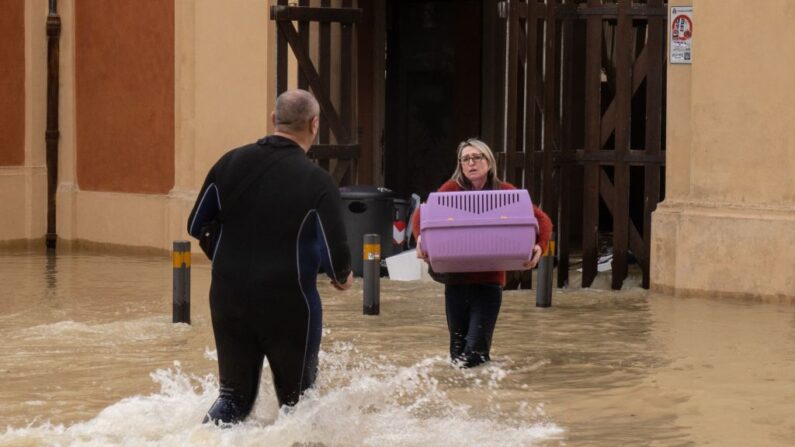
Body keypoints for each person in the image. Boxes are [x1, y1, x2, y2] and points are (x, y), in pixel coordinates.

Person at [187, 89, 353, 424]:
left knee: (233, 399)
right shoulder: (317, 181)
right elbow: (337, 256)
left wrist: (225, 258)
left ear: (273, 120)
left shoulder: (229, 162)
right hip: (290, 303)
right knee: (299, 404)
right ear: (315, 124)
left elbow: (196, 224)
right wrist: (341, 277)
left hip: (228, 296)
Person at [412, 138, 552, 368]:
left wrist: (540, 246)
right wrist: (420, 238)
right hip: (455, 282)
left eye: (477, 157)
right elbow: (422, 214)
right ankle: (466, 397)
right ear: (460, 164)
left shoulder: (504, 191)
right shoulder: (451, 189)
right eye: (466, 159)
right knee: (457, 352)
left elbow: (542, 219)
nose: (471, 163)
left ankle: (482, 395)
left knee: (475, 349)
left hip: (489, 282)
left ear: (489, 162)